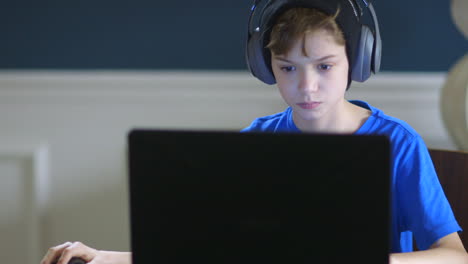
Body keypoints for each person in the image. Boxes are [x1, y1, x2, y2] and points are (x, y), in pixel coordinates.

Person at [41, 0, 468, 264]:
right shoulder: (256, 143)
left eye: (324, 66)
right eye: (288, 69)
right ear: (267, 68)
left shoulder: (398, 143)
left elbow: (453, 256)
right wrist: (106, 258)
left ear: (356, 61)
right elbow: (201, 249)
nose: (307, 86)